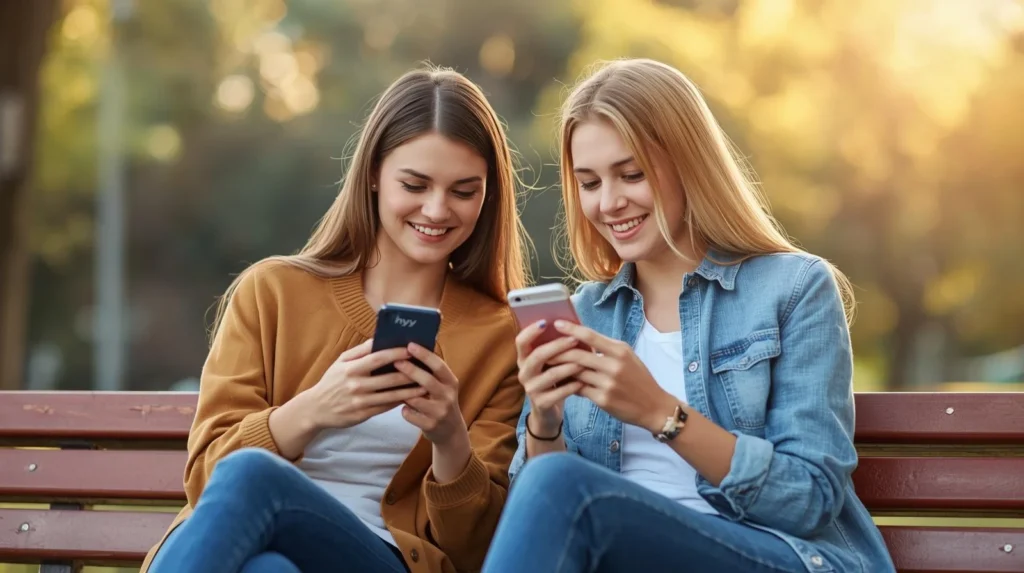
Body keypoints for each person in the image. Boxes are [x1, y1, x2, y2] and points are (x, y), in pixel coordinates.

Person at [481, 58, 895, 573]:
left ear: (689, 164)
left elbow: (809, 498)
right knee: (551, 482)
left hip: (773, 555)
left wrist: (659, 412)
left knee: (562, 486)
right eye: (589, 183)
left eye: (631, 175)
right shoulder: (585, 313)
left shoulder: (793, 288)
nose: (609, 202)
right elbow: (539, 522)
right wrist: (544, 422)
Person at [143, 67, 529, 573]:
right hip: (237, 548)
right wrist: (315, 409)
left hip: (378, 558)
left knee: (254, 476)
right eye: (414, 184)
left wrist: (450, 437)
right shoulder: (273, 292)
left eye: (463, 191)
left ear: (488, 195)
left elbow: (476, 551)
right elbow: (207, 480)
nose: (436, 210)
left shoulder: (501, 337)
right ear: (372, 173)